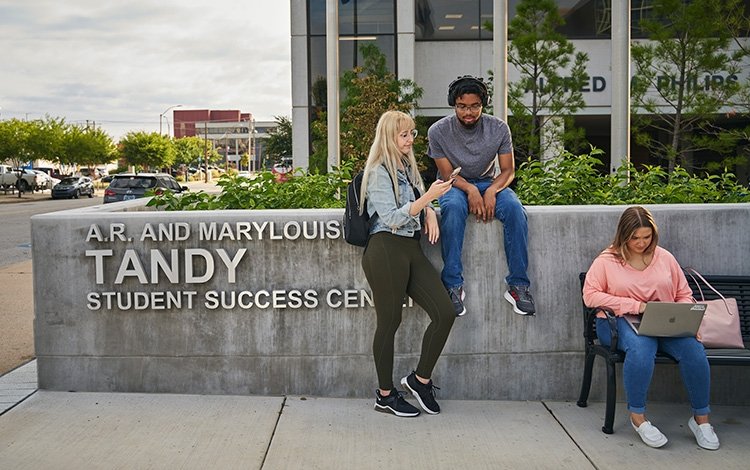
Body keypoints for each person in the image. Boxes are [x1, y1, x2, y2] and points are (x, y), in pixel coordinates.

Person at [582, 206, 720, 450]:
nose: (641, 243)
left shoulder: (664, 257)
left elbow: (683, 294)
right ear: (623, 235)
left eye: (647, 237)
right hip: (617, 322)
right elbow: (590, 296)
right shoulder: (607, 260)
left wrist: (684, 318)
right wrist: (637, 305)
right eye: (635, 237)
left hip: (663, 322)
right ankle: (638, 418)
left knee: (693, 350)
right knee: (641, 346)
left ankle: (701, 420)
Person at [360, 110, 456, 417]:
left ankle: (420, 379)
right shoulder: (378, 171)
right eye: (405, 135)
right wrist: (427, 199)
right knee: (389, 323)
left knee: (445, 312)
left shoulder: (407, 168)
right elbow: (390, 218)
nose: (411, 140)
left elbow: (415, 203)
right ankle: (385, 395)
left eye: (412, 133)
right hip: (386, 248)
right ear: (389, 137)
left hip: (411, 249)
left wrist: (428, 209)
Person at [428, 75, 535, 317]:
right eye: (462, 106)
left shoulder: (498, 128)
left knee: (516, 211)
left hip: (490, 182)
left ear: (483, 104)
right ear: (453, 104)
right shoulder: (438, 131)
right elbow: (446, 175)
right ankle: (453, 286)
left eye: (474, 106)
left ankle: (519, 286)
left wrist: (491, 190)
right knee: (453, 210)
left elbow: (508, 170)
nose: (468, 112)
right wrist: (472, 190)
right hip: (454, 184)